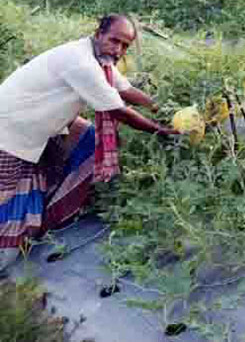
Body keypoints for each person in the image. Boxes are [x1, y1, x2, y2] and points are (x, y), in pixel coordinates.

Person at [0, 15, 180, 270]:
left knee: (87, 140)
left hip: (35, 131)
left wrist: (161, 107)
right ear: (98, 34)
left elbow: (124, 89)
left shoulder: (99, 60)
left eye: (125, 46)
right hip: (10, 133)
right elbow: (118, 109)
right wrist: (161, 130)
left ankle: (46, 211)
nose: (118, 50)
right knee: (5, 195)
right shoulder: (81, 63)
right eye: (113, 41)